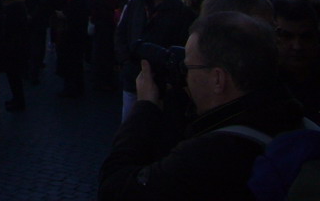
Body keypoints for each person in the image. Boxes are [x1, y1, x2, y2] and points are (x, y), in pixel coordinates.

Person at [100, 11, 305, 200]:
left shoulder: (211, 155)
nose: (185, 77)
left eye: (189, 67)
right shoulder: (292, 117)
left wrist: (144, 108)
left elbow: (114, 188)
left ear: (218, 79)